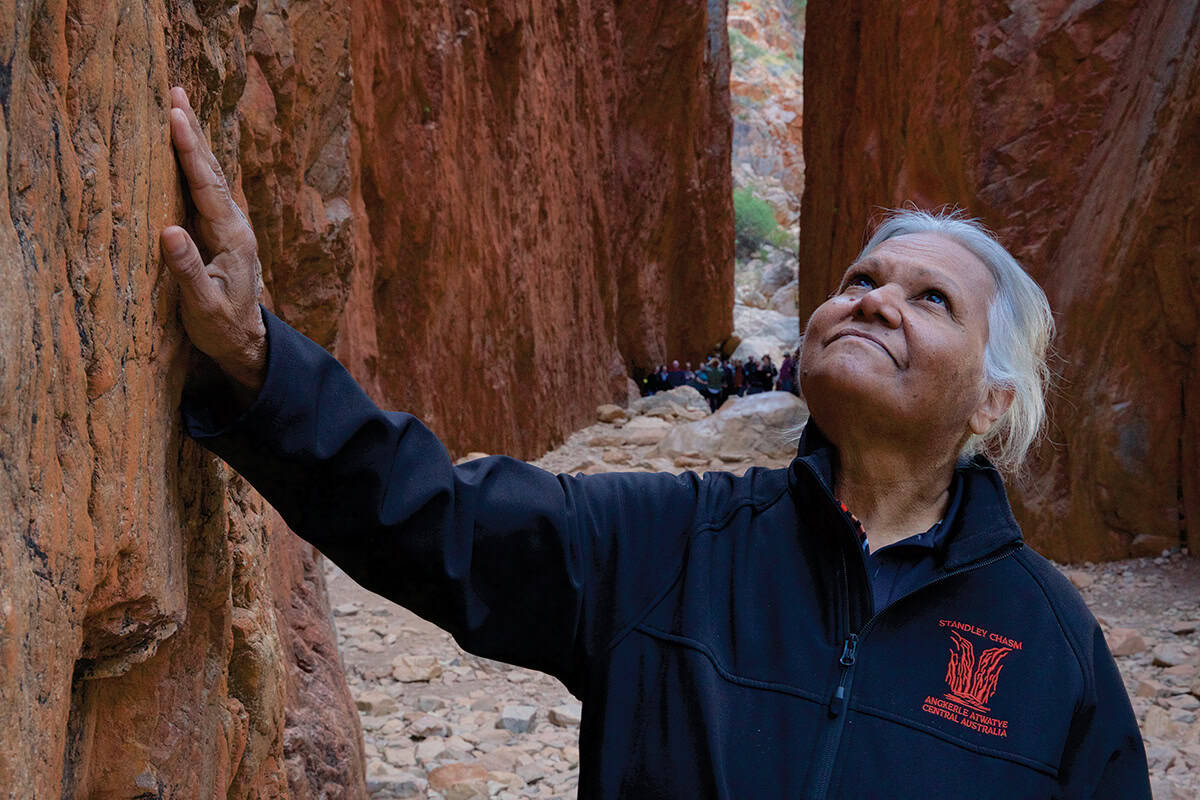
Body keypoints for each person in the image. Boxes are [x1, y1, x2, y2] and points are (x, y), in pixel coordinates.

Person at [160, 88, 1149, 798]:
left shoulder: (1053, 651)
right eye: (861, 280)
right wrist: (255, 357)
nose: (876, 301)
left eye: (930, 299)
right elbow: (429, 516)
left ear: (990, 403)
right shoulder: (671, 545)